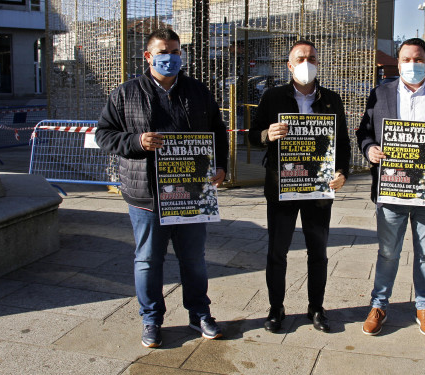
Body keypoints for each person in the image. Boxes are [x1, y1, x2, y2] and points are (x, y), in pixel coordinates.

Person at [96, 28, 229, 348]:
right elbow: (104, 135)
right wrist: (135, 141)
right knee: (147, 260)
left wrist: (221, 165)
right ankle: (152, 319)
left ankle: (199, 314)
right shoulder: (126, 93)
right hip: (146, 196)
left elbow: (217, 130)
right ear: (148, 56)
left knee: (194, 260)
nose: (170, 57)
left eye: (176, 51)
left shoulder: (198, 91)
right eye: (163, 51)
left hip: (192, 194)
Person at [356, 37, 425, 337]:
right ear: (398, 61)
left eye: (418, 58)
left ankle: (424, 306)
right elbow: (364, 133)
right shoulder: (380, 93)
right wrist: (369, 150)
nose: (412, 64)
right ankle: (379, 305)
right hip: (391, 188)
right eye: (407, 58)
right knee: (388, 252)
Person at [249, 40, 351, 333]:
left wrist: (342, 172)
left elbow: (342, 143)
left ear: (318, 63)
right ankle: (275, 308)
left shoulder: (331, 99)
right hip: (282, 186)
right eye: (300, 58)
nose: (307, 62)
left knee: (317, 251)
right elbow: (252, 136)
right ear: (289, 65)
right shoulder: (272, 96)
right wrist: (267, 134)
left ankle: (316, 308)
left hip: (318, 188)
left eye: (312, 58)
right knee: (277, 252)